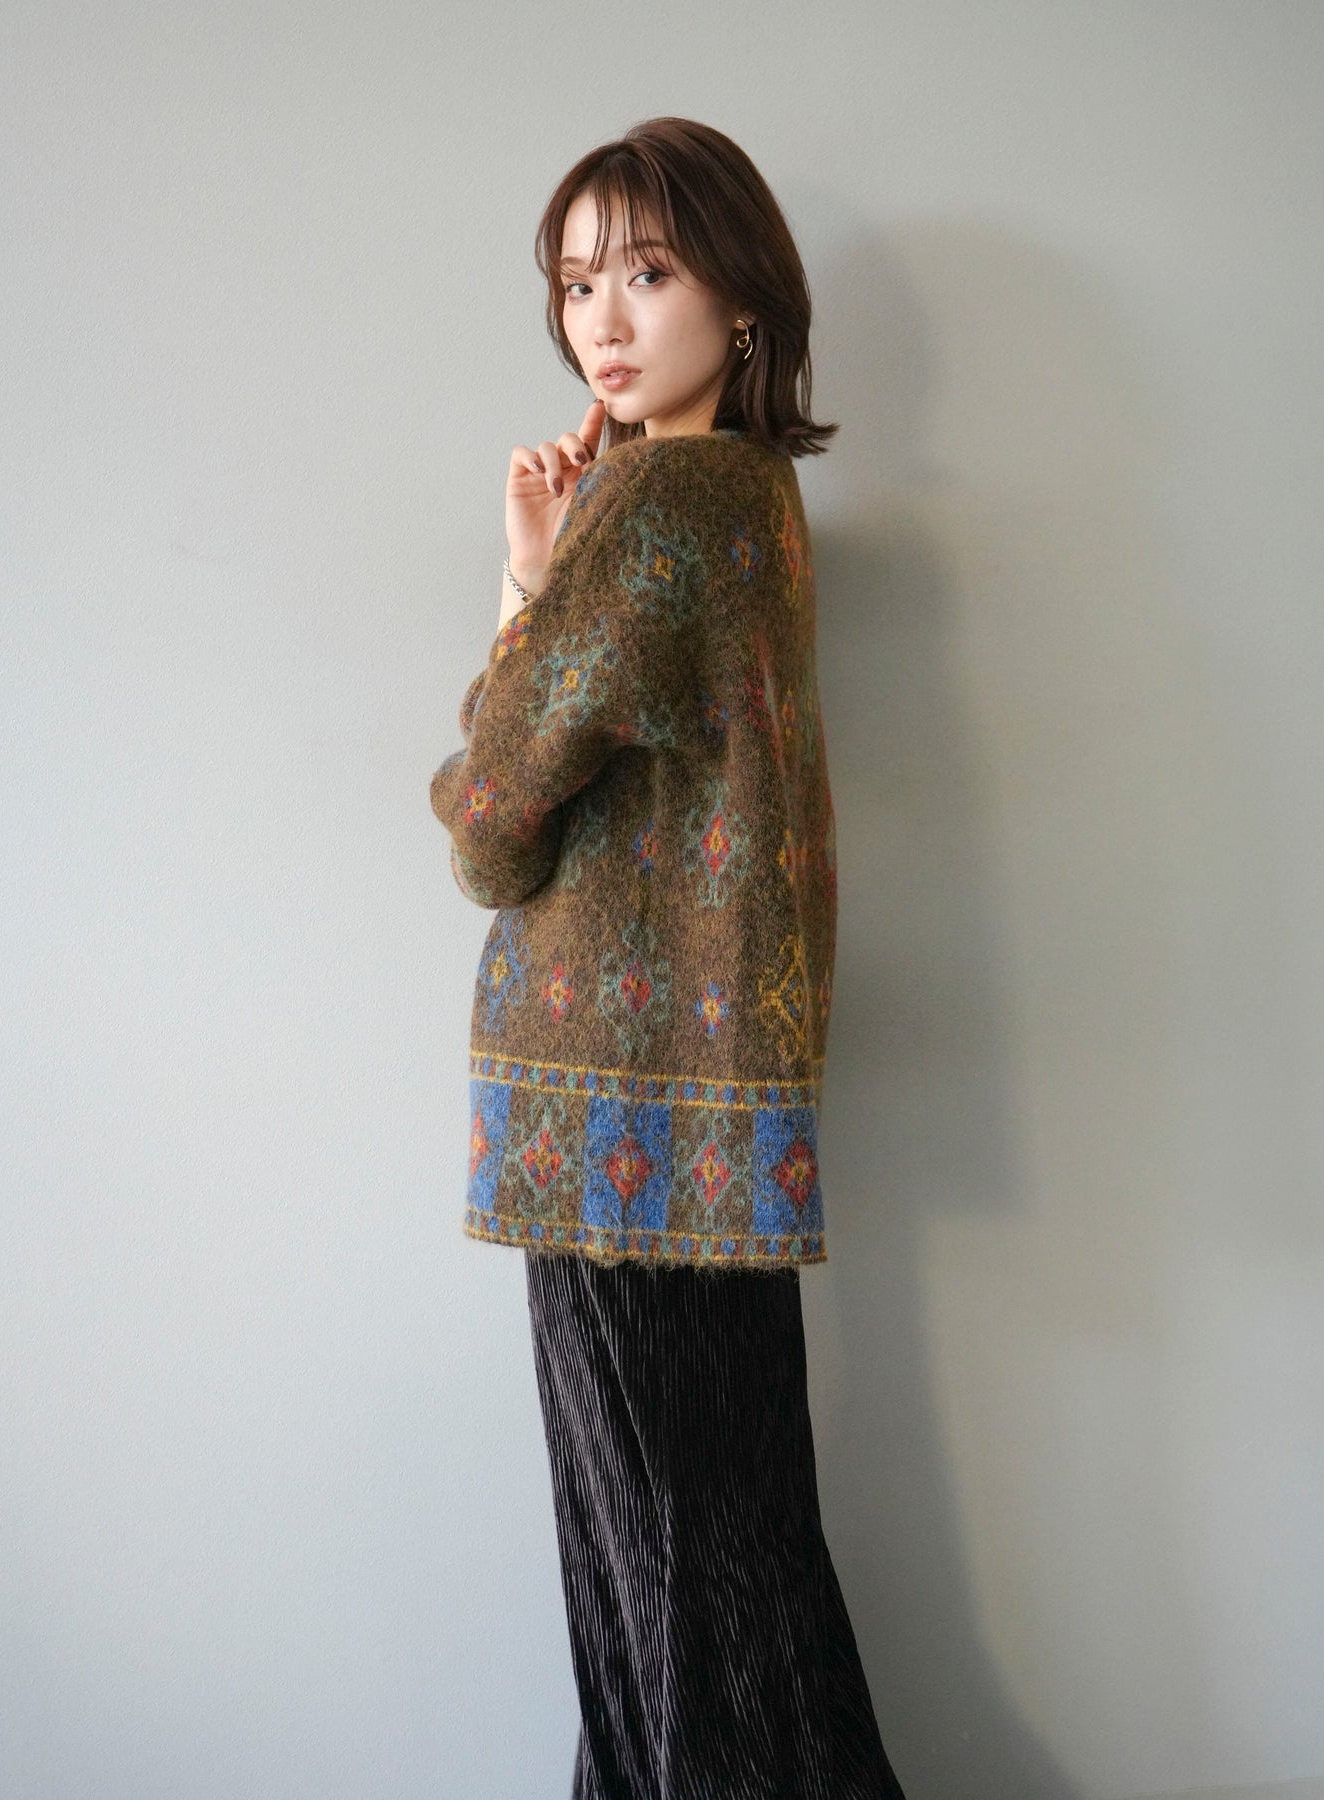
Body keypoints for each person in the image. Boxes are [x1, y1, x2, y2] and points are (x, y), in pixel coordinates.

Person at [430, 116, 907, 1799]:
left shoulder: (667, 498)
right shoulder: (751, 497)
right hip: (692, 1121)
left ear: (743, 294)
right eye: (576, 284)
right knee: (715, 1576)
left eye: (645, 271)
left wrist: (522, 588)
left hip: (615, 1124)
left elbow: (490, 819)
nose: (603, 322)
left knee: (668, 1600)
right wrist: (548, 571)